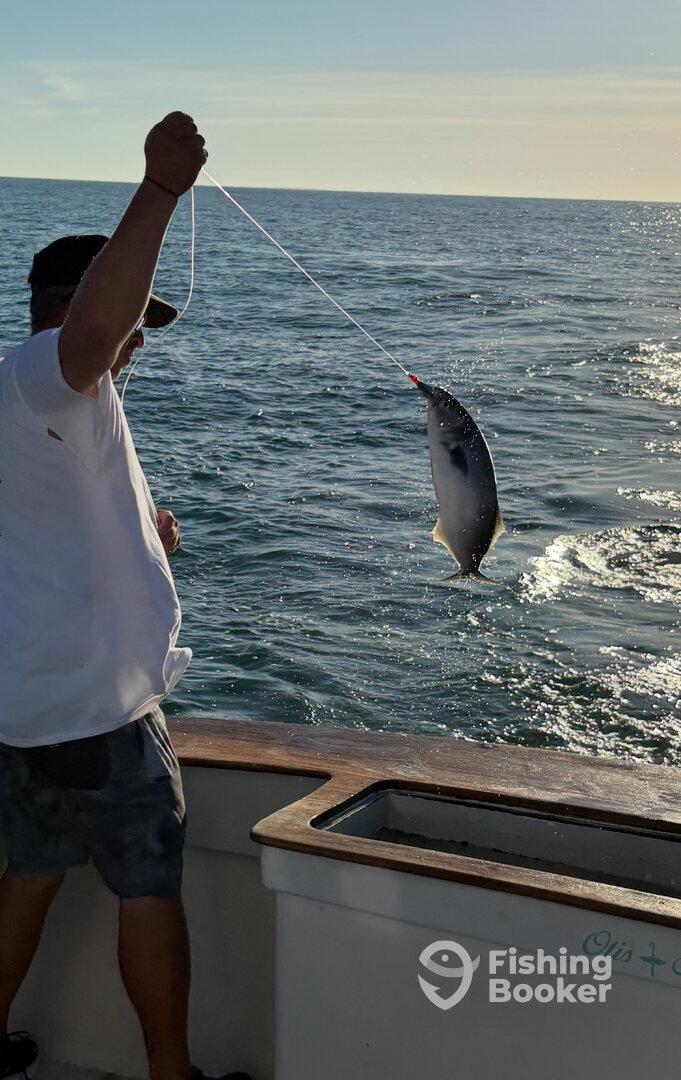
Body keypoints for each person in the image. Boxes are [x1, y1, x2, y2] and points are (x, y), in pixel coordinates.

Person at [0, 112, 250, 1080]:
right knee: (149, 884)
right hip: (96, 711)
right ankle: (171, 1076)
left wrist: (139, 546)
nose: (137, 342)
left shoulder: (37, 408)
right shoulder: (46, 377)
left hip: (25, 706)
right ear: (77, 307)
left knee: (28, 874)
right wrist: (160, 191)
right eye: (134, 323)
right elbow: (92, 334)